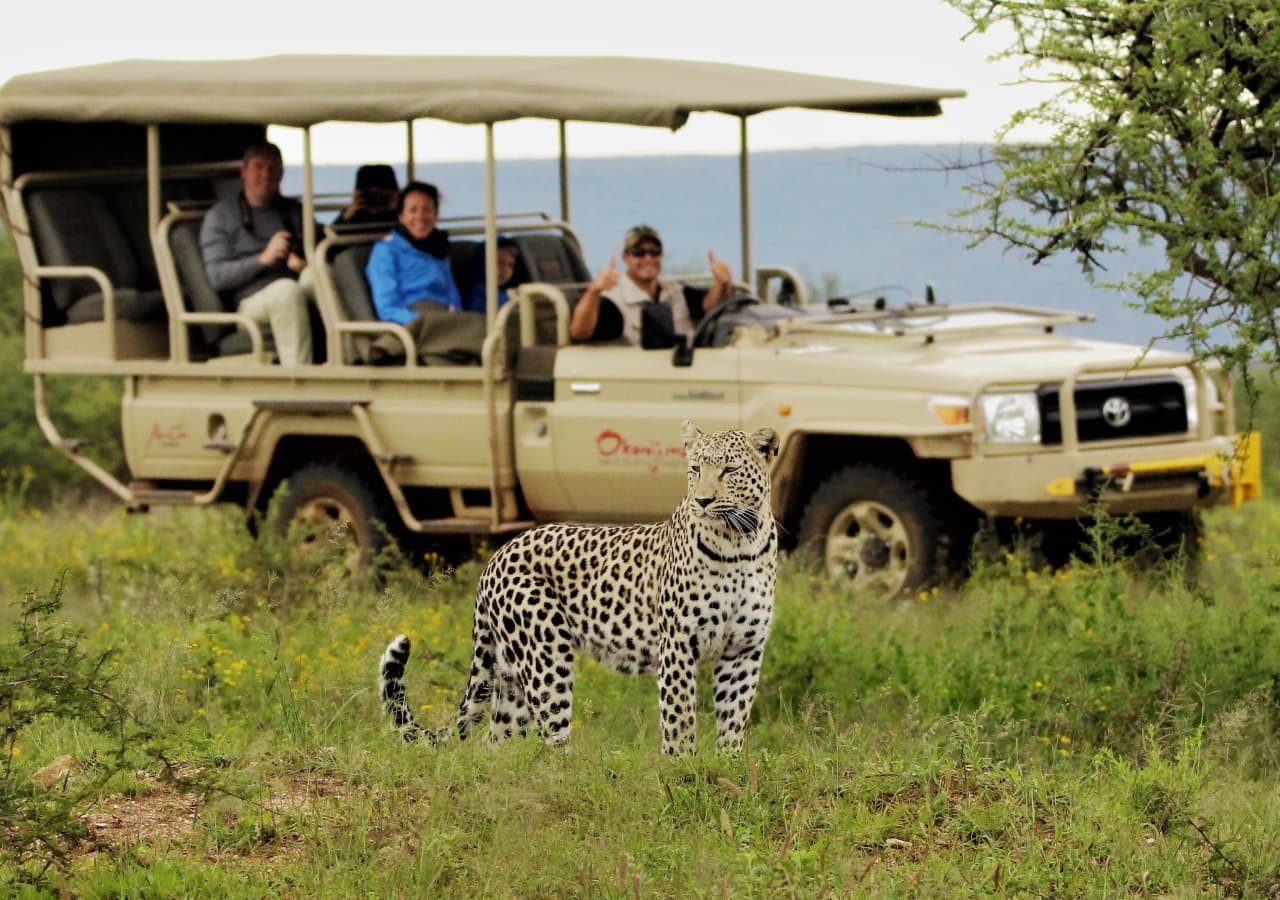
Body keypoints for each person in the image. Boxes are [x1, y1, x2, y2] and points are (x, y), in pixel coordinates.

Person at [199, 142, 313, 366]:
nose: (266, 175)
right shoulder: (220, 217)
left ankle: (355, 359)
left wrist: (306, 263)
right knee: (285, 291)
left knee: (319, 275)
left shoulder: (293, 211)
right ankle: (299, 379)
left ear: (281, 173)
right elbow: (217, 277)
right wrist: (263, 258)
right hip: (249, 304)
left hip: (294, 285)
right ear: (244, 172)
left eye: (273, 168)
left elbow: (322, 247)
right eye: (259, 167)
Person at [365, 181, 485, 364]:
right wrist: (424, 322)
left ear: (435, 215)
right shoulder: (386, 251)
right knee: (482, 329)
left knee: (482, 329)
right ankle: (394, 343)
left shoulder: (438, 248)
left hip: (444, 318)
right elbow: (387, 308)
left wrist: (453, 316)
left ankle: (390, 346)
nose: (420, 217)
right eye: (413, 210)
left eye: (427, 210)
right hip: (415, 315)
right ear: (401, 216)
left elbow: (451, 294)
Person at [569, 225, 734, 346]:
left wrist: (722, 283)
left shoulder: (676, 290)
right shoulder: (614, 300)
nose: (648, 259)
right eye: (639, 253)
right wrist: (594, 291)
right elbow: (579, 332)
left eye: (655, 251)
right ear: (625, 257)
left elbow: (709, 306)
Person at [462, 236, 520, 313]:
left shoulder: (504, 293)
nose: (505, 269)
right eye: (499, 262)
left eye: (510, 265)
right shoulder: (476, 293)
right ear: (482, 263)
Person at [334, 163, 399, 227]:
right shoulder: (354, 211)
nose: (376, 198)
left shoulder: (400, 212)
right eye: (370, 194)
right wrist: (349, 213)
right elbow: (332, 233)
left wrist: (398, 209)